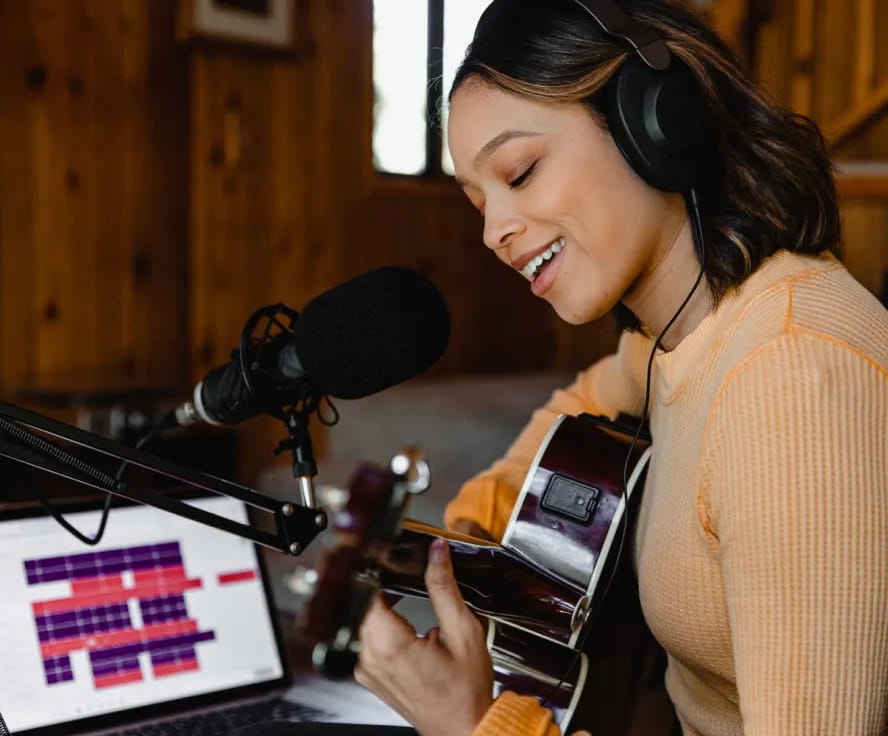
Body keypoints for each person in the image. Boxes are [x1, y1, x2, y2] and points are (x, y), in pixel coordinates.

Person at [354, 1, 888, 734]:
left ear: (655, 121)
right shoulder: (677, 336)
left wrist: (469, 720)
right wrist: (477, 524)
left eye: (520, 172)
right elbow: (583, 399)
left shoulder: (790, 375)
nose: (493, 232)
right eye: (479, 204)